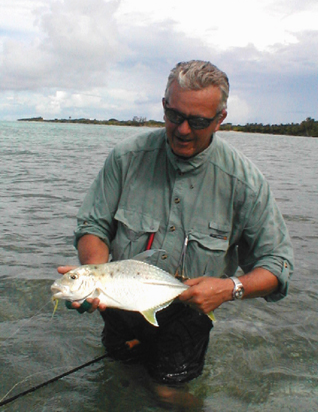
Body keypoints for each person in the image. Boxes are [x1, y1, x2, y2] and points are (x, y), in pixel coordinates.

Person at [58, 60, 293, 394]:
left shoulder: (245, 183)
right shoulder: (126, 158)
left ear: (220, 120)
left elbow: (278, 265)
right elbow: (93, 225)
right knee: (115, 384)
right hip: (119, 305)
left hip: (189, 316)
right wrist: (93, 276)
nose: (183, 130)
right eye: (175, 116)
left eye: (197, 121)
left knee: (168, 394)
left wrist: (229, 289)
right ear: (164, 106)